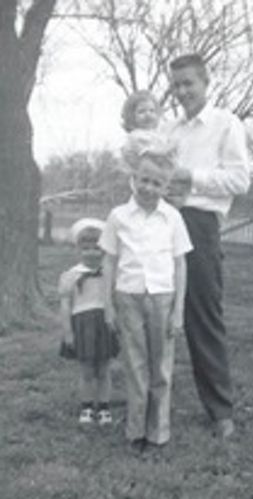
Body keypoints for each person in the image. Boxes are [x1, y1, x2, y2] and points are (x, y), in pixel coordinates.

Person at [168, 53, 250, 439]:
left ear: (205, 82)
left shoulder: (225, 124)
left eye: (189, 83)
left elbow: (239, 180)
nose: (182, 91)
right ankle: (151, 404)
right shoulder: (171, 131)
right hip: (161, 225)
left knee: (203, 317)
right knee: (155, 313)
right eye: (177, 84)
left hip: (199, 226)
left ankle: (220, 410)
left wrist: (190, 177)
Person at [99, 145, 193, 449]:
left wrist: (178, 310)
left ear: (166, 187)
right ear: (134, 178)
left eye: (157, 183)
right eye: (144, 180)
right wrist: (107, 305)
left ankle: (158, 433)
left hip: (162, 299)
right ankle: (136, 431)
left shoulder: (173, 218)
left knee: (161, 368)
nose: (148, 188)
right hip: (129, 298)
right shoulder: (118, 216)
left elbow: (180, 264)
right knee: (135, 366)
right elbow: (109, 261)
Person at [58, 218, 118, 426]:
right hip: (82, 325)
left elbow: (115, 299)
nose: (92, 253)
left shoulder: (109, 274)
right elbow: (65, 305)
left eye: (96, 248)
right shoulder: (71, 276)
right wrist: (68, 333)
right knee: (86, 370)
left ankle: (103, 407)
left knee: (104, 368)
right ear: (78, 250)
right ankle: (86, 407)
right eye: (86, 248)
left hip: (104, 323)